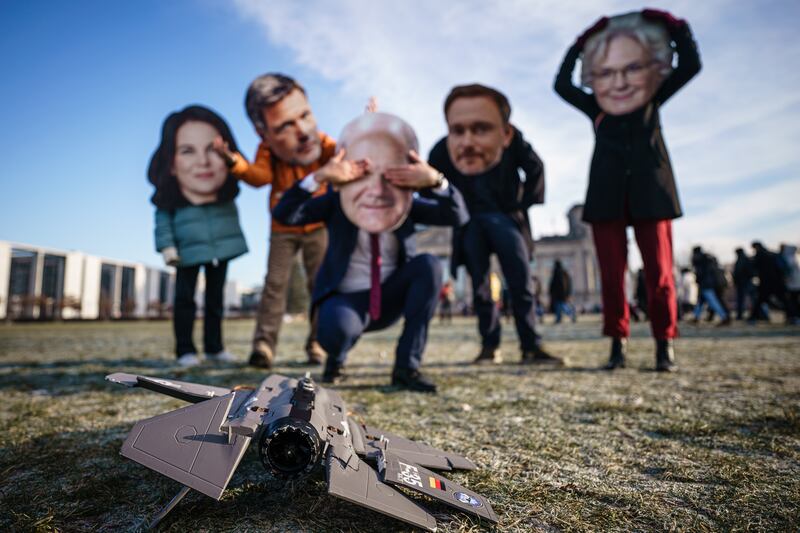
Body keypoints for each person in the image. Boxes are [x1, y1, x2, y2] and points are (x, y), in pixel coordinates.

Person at [273, 112, 469, 393]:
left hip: (391, 296)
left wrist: (436, 180)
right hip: (347, 303)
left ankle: (406, 367)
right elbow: (285, 213)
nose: (376, 190)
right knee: (335, 330)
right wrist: (318, 177)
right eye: (367, 174)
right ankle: (336, 358)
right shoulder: (337, 203)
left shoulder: (407, 204)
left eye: (387, 174)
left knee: (430, 265)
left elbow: (459, 215)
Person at [554, 9, 701, 371]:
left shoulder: (651, 99)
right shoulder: (596, 107)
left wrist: (676, 27)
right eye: (606, 72)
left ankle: (663, 345)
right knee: (611, 274)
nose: (619, 83)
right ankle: (617, 345)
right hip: (606, 195)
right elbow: (562, 85)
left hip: (652, 190)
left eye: (631, 69)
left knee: (660, 273)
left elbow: (690, 64)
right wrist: (578, 46)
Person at [428, 84, 562, 367]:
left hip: (505, 218)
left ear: (505, 131)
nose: (468, 140)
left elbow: (535, 167)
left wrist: (522, 203)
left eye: (481, 128)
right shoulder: (445, 149)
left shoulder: (513, 141)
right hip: (469, 223)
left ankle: (530, 345)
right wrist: (447, 207)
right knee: (480, 287)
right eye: (458, 128)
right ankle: (490, 346)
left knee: (520, 281)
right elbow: (429, 178)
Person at [213, 73, 335, 368]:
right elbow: (260, 177)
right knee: (274, 286)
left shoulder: (322, 144)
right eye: (284, 127)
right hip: (283, 228)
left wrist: (367, 128)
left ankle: (318, 343)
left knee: (321, 285)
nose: (302, 132)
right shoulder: (268, 151)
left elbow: (348, 155)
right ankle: (263, 348)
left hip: (317, 224)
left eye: (304, 115)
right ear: (264, 134)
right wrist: (234, 161)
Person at [148, 105, 248, 367]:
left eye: (212, 151)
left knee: (216, 301)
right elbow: (162, 220)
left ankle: (215, 347)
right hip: (186, 251)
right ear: (171, 163)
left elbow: (243, 169)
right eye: (187, 150)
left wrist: (230, 158)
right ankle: (185, 350)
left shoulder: (225, 190)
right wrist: (167, 246)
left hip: (220, 251)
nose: (203, 162)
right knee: (184, 300)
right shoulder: (170, 198)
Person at [691, 247, 730, 326]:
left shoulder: (698, 259)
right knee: (701, 301)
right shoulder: (708, 258)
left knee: (713, 301)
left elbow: (700, 273)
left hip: (705, 284)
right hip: (710, 283)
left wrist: (698, 280)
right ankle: (696, 317)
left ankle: (724, 317)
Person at [751, 241, 789, 322]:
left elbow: (754, 267)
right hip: (777, 281)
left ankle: (753, 318)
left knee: (760, 300)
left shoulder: (759, 255)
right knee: (784, 299)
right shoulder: (772, 254)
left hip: (766, 282)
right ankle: (793, 316)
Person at [549, 260, 576, 324]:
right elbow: (568, 284)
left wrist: (551, 292)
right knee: (561, 306)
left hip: (558, 294)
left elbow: (553, 284)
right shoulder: (564, 273)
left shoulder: (557, 273)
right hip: (563, 294)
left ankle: (565, 316)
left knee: (561, 306)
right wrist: (568, 293)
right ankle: (560, 318)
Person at [733, 248, 756, 320]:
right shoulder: (745, 259)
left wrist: (736, 279)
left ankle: (740, 315)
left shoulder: (741, 260)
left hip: (743, 282)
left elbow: (738, 272)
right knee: (752, 298)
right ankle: (759, 314)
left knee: (743, 299)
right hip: (746, 281)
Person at [780, 244, 800, 324]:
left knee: (792, 301)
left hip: (792, 284)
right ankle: (794, 316)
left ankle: (794, 316)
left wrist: (786, 279)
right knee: (794, 301)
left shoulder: (788, 258)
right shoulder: (794, 257)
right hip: (795, 283)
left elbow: (788, 272)